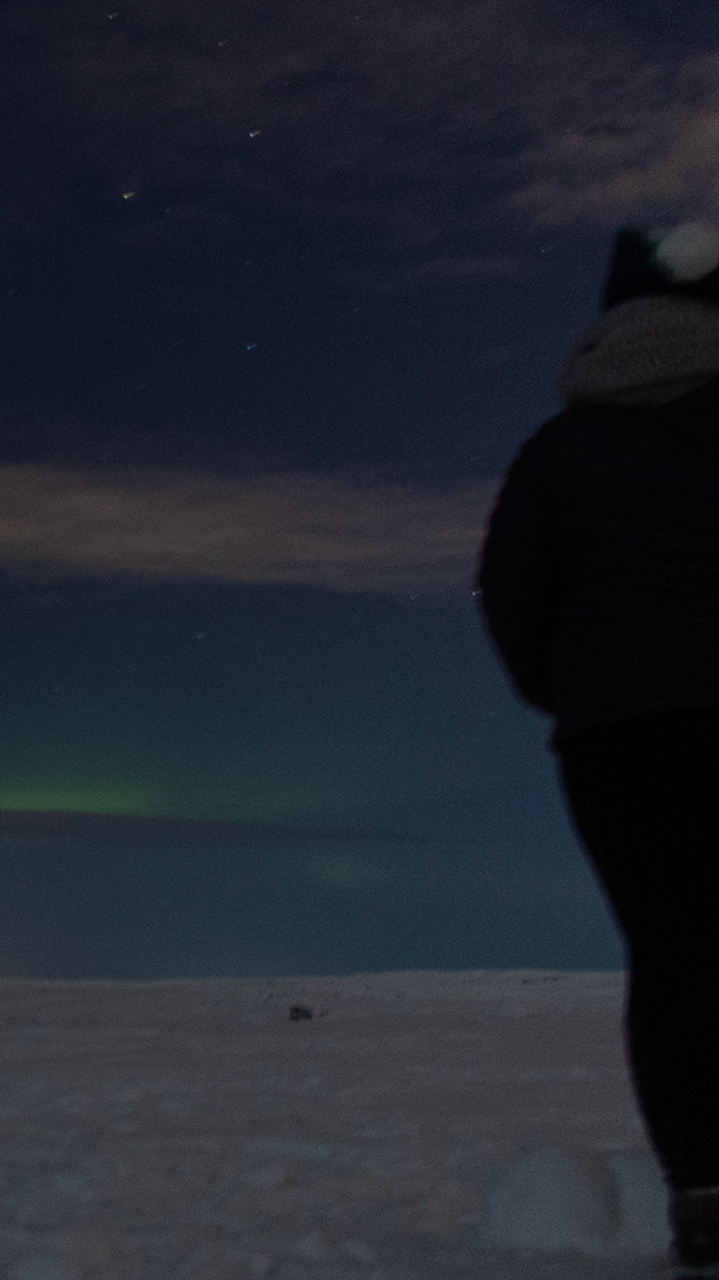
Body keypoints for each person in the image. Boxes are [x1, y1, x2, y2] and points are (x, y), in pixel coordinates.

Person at [480, 220, 719, 1280]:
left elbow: (514, 594)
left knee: (674, 953)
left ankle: (708, 1186)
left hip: (617, 738)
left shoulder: (558, 448)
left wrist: (575, 689)